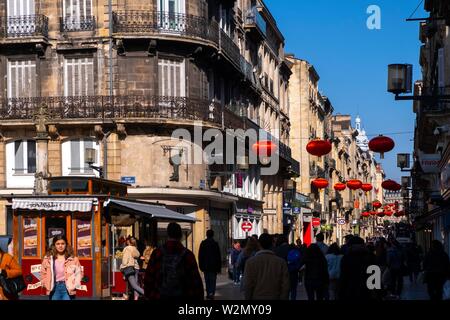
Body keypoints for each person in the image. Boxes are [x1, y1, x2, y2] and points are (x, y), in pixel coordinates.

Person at [144, 223, 204, 300]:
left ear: (168, 234)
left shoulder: (157, 253)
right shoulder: (188, 255)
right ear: (180, 235)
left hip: (160, 296)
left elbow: (149, 277)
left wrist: (150, 295)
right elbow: (195, 280)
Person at [243, 233, 290, 300]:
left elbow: (248, 285)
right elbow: (285, 286)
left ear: (259, 244)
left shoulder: (250, 263)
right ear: (272, 244)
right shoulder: (281, 262)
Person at [40, 235, 83, 300]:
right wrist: (46, 283)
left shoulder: (73, 259)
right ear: (54, 245)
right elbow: (43, 272)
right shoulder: (48, 258)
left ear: (66, 245)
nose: (60, 246)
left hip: (68, 288)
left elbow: (79, 273)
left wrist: (74, 284)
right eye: (58, 244)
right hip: (54, 288)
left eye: (63, 243)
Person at [338, 236, 375, 301]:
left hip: (350, 291)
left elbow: (343, 277)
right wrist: (378, 292)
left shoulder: (346, 258)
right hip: (367, 291)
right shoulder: (371, 257)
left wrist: (340, 293)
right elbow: (375, 277)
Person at [198, 230, 222, 300]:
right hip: (213, 267)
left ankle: (208, 293)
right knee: (213, 280)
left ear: (206, 235)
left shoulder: (203, 243)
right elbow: (218, 256)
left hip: (205, 266)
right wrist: (219, 267)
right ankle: (211, 293)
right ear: (213, 235)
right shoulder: (215, 244)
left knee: (207, 280)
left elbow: (200, 255)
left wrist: (200, 265)